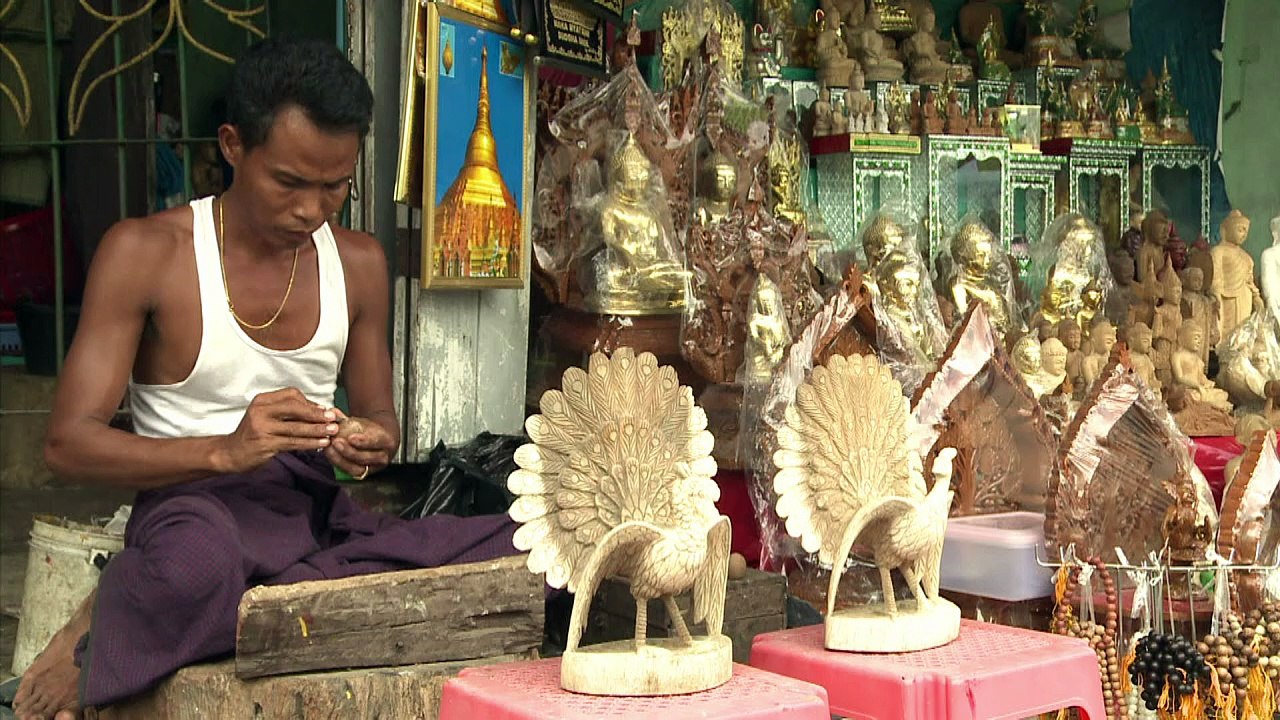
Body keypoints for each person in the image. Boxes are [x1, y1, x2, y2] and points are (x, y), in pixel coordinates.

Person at [13, 38, 517, 720]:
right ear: (232, 145)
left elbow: (380, 422)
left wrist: (364, 444)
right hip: (191, 509)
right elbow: (67, 445)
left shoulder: (359, 263)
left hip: (307, 512)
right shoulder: (147, 253)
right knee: (201, 566)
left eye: (336, 185)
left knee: (507, 543)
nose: (312, 209)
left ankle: (148, 611)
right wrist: (223, 451)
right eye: (289, 182)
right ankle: (108, 637)